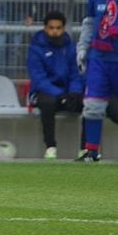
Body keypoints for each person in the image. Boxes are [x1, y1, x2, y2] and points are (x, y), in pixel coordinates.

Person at [27, 11, 83, 159]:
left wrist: (74, 92)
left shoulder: (70, 48)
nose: (54, 31)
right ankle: (50, 146)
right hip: (42, 93)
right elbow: (38, 79)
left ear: (63, 28)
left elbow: (75, 73)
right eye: (51, 28)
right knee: (48, 103)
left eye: (58, 28)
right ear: (45, 28)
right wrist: (59, 94)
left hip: (66, 92)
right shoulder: (36, 49)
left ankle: (85, 148)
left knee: (87, 102)